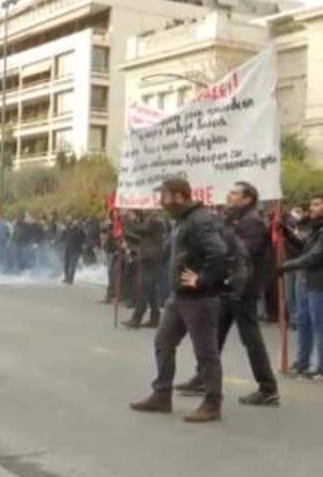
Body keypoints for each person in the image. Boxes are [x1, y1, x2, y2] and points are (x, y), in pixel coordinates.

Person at [130, 178, 228, 423]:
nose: (160, 200)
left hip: (200, 298)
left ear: (179, 196)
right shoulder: (181, 220)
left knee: (205, 352)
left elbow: (218, 253)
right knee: (163, 342)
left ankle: (212, 403)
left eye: (163, 195)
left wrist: (202, 279)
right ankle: (161, 394)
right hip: (179, 296)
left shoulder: (200, 220)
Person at [174, 182, 280, 404]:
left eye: (234, 193)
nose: (229, 196)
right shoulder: (233, 220)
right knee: (213, 337)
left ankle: (268, 388)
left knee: (251, 340)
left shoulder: (253, 223)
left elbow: (240, 253)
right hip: (229, 288)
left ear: (247, 199)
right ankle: (203, 378)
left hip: (244, 289)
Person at [279, 193, 323, 378]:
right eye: (312, 204)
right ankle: (302, 362)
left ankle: (320, 366)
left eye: (316, 204)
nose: (311, 208)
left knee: (319, 325)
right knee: (304, 321)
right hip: (307, 281)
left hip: (319, 283)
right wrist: (286, 232)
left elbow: (314, 256)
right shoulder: (315, 229)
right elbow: (303, 246)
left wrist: (286, 266)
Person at [122, 211, 165, 328]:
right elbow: (142, 237)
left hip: (149, 258)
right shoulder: (152, 223)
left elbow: (141, 231)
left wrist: (127, 221)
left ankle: (136, 319)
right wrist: (126, 234)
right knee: (150, 291)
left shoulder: (154, 222)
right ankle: (155, 318)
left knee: (143, 288)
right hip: (149, 257)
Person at [62, 218, 86, 285]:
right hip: (68, 249)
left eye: (77, 224)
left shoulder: (80, 232)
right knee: (67, 264)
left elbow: (84, 239)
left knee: (73, 265)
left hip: (76, 250)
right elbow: (63, 237)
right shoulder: (68, 230)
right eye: (74, 223)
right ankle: (66, 277)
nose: (75, 225)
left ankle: (70, 279)